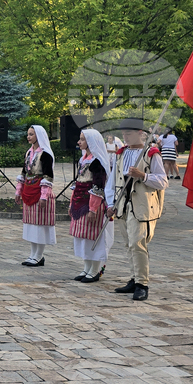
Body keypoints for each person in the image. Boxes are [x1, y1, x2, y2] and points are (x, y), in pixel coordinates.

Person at [108, 120, 168, 301]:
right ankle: (134, 278)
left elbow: (162, 181)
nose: (125, 137)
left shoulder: (151, 153)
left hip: (141, 205)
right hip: (122, 204)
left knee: (137, 243)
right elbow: (112, 181)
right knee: (128, 243)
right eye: (123, 134)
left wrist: (143, 175)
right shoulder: (121, 153)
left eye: (129, 133)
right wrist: (110, 203)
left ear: (140, 133)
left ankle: (142, 283)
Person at [69, 129, 114, 283]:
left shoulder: (97, 162)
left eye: (82, 139)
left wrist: (93, 209)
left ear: (90, 142)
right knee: (83, 237)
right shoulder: (83, 159)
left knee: (94, 236)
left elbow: (98, 186)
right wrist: (72, 203)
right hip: (80, 201)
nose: (79, 142)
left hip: (92, 204)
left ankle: (95, 269)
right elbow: (78, 182)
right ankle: (86, 267)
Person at [17, 125, 55, 267]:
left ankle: (39, 255)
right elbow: (24, 172)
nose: (28, 137)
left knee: (39, 225)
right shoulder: (29, 152)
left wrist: (44, 196)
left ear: (38, 136)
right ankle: (32, 254)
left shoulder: (45, 154)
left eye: (31, 134)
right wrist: (18, 191)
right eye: (28, 134)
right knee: (31, 225)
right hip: (28, 190)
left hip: (40, 192)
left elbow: (48, 176)